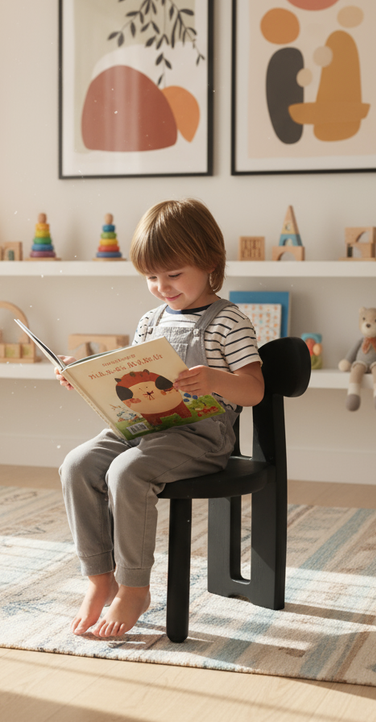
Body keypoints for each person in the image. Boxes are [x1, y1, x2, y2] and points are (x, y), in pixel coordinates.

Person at [56, 198, 264, 638]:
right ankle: (99, 578)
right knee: (77, 464)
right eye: (151, 277)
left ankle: (134, 586)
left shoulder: (229, 322)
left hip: (199, 436)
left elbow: (255, 389)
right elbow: (129, 381)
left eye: (173, 275)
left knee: (128, 473)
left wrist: (216, 380)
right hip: (140, 425)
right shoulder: (150, 321)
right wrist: (84, 377)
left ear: (209, 262)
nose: (162, 286)